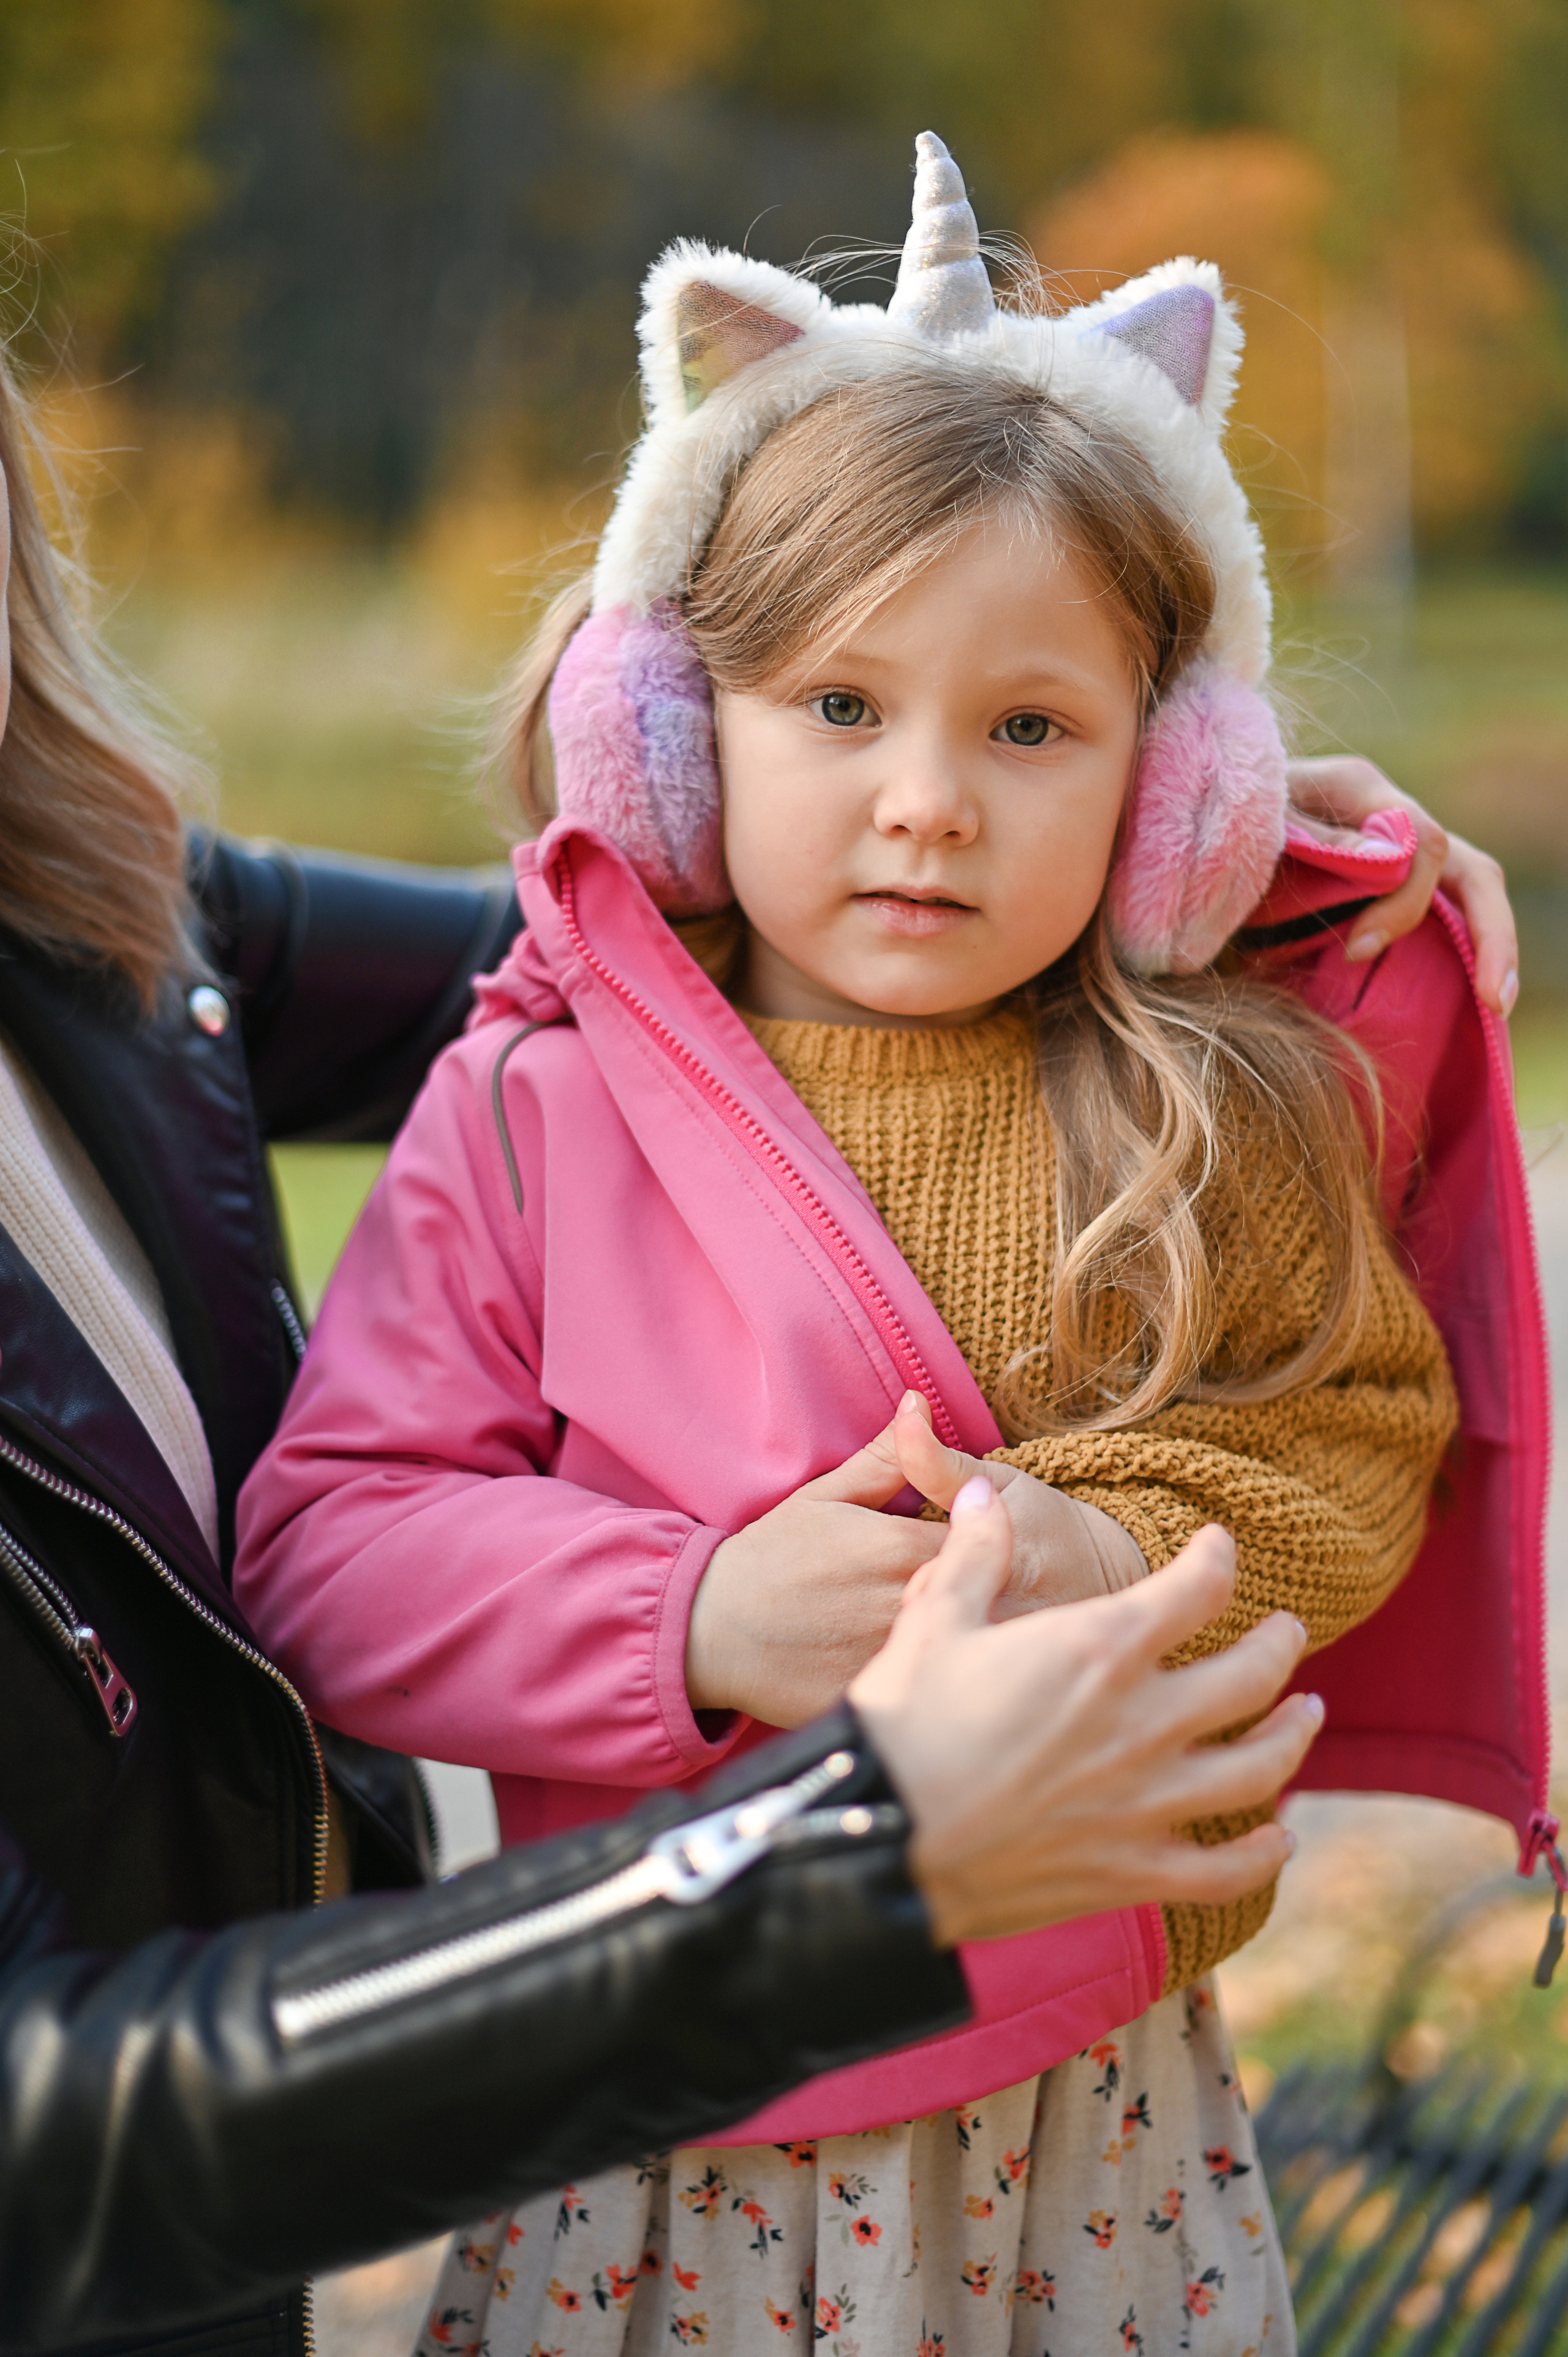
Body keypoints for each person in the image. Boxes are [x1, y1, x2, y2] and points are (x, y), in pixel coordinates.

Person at [0, 170, 1515, 2356]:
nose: (927, 804)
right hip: (644, 2121)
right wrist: (690, 1613)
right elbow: (329, 1552)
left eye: (1031, 728)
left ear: (1178, 782)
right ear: (666, 730)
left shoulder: (1217, 1099)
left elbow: (1343, 1438)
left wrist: (1117, 1558)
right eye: (834, 707)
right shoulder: (534, 1108)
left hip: (1092, 2115)